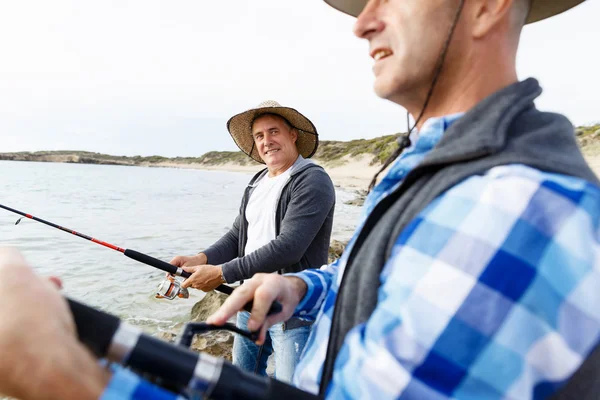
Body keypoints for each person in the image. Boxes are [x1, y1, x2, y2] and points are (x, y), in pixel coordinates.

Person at [207, 0, 600, 398]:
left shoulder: (513, 203)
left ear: (487, 7)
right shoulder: (432, 165)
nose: (362, 24)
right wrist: (304, 288)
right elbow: (380, 268)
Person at [170, 100, 336, 382]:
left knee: (290, 391)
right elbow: (238, 236)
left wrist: (222, 273)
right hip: (250, 303)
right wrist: (202, 259)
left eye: (273, 132)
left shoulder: (312, 180)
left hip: (291, 310)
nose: (266, 141)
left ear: (293, 135)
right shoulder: (257, 182)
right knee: (240, 384)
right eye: (259, 136)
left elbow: (288, 247)